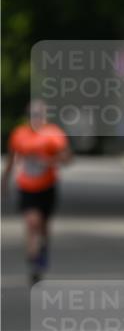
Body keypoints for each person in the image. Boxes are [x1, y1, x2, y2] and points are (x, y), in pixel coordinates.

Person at [2, 99, 72, 284]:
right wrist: (4, 182)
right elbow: (11, 160)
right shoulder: (19, 135)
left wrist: (48, 161)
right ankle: (33, 259)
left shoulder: (53, 134)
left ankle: (42, 250)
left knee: (43, 225)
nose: (36, 119)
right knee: (32, 222)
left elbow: (67, 158)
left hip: (47, 186)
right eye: (33, 115)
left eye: (40, 115)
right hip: (26, 186)